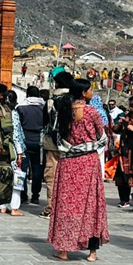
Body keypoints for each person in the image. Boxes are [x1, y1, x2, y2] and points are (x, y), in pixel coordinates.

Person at [48, 79, 108, 262]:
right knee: (91, 205)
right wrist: (89, 146)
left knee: (67, 206)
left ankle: (64, 250)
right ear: (83, 93)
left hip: (67, 163)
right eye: (90, 89)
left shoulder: (64, 110)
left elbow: (57, 136)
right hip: (88, 163)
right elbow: (102, 137)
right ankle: (92, 252)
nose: (92, 92)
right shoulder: (92, 112)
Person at [40, 69, 74, 219]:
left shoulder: (51, 101)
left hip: (52, 144)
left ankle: (51, 208)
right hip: (71, 145)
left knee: (52, 177)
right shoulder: (75, 101)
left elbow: (45, 122)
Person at [0, 89, 26, 216]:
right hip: (12, 150)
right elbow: (16, 136)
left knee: (3, 177)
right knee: (16, 178)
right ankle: (14, 207)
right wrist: (20, 152)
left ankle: (2, 205)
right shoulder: (13, 114)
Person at [17, 86, 45, 204]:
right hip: (39, 141)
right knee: (37, 168)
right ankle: (35, 195)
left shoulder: (21, 108)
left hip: (24, 141)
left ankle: (23, 194)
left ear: (27, 94)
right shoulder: (43, 108)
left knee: (22, 168)